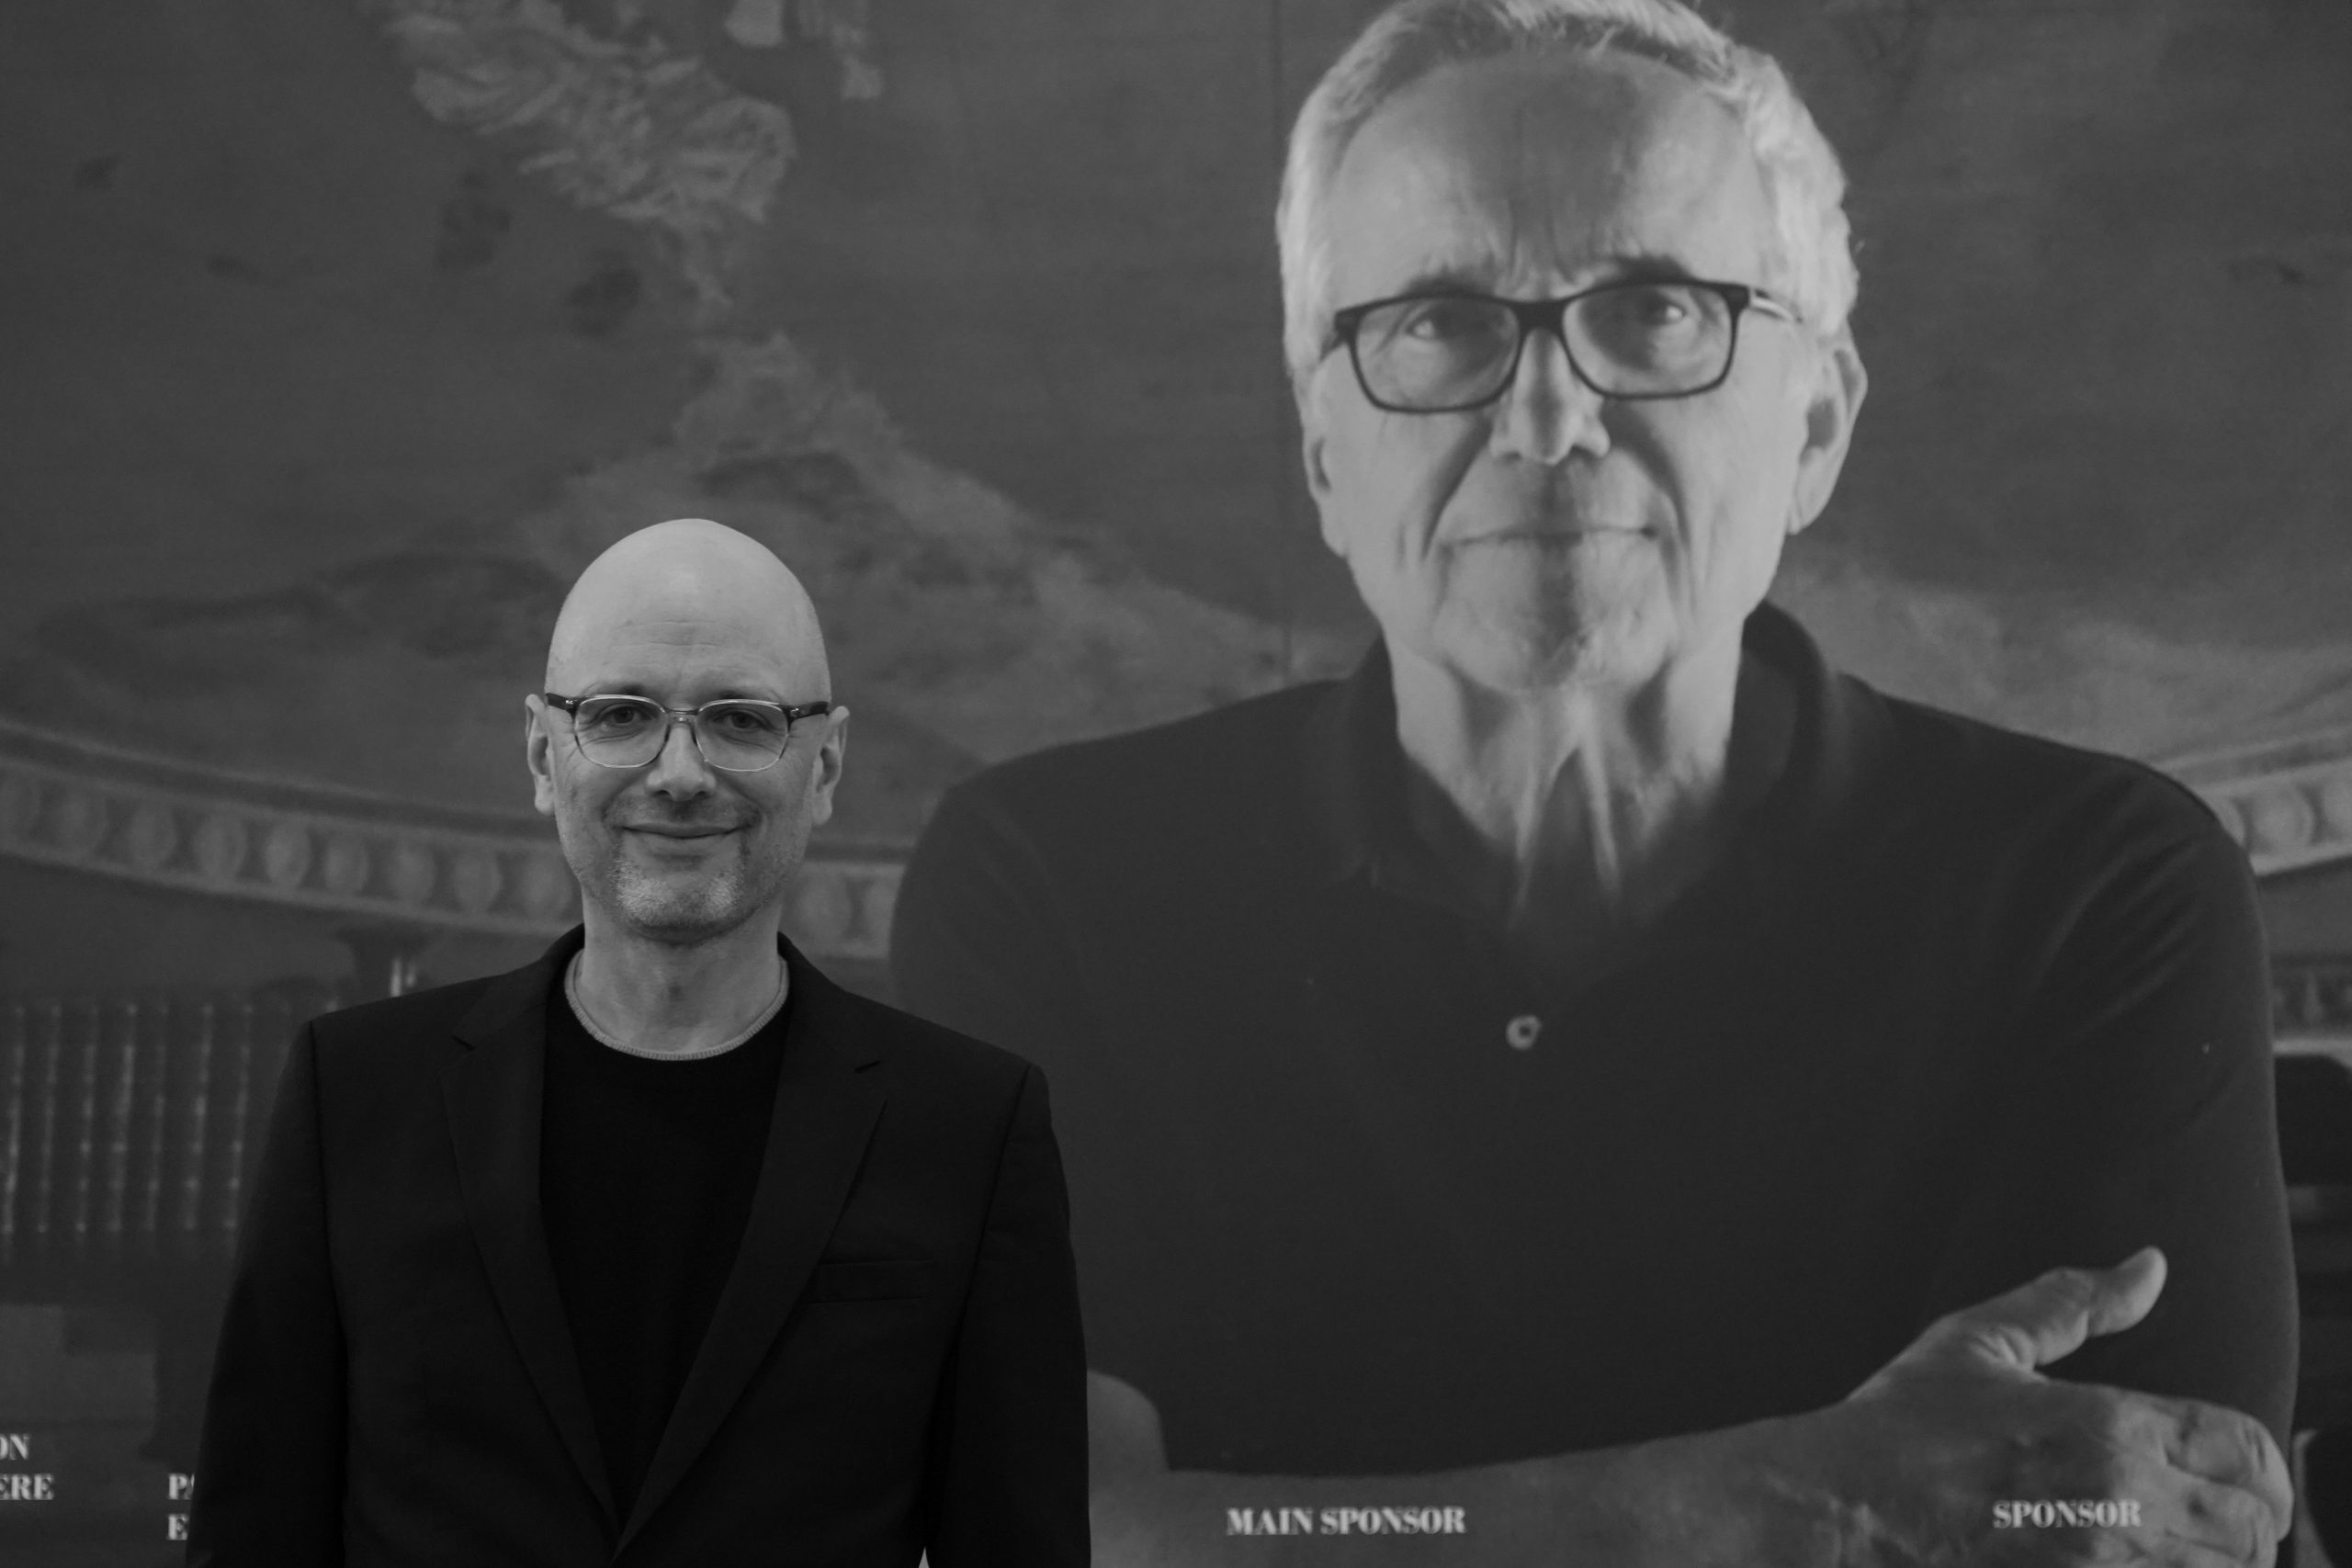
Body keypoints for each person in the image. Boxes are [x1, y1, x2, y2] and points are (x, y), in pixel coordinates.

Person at [891, 1, 2297, 1562]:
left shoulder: (2094, 880)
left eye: (1654, 310)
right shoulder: (1053, 882)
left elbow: (2140, 1525)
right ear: (1325, 456)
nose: (1547, 420)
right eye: (1438, 322)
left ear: (1816, 424)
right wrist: (1799, 1505)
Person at [189, 518, 1088, 1566]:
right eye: (620, 715)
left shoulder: (970, 1131)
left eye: (741, 719)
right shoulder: (352, 1096)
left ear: (826, 764)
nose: (679, 772)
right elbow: (253, 1537)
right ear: (544, 753)